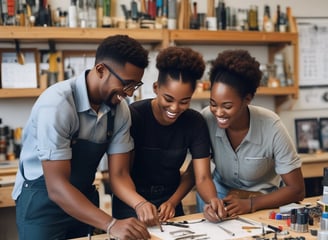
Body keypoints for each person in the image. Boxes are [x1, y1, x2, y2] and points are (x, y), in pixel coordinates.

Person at [12, 35, 151, 240]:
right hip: (42, 202)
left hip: (83, 201)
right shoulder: (58, 104)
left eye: (135, 86)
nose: (129, 93)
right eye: (126, 84)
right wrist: (111, 224)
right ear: (101, 70)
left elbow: (120, 175)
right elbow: (57, 187)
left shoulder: (120, 111)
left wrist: (140, 203)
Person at [109, 46, 227, 227]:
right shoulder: (133, 116)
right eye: (168, 99)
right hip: (130, 203)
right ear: (156, 88)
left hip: (169, 205)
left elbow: (202, 177)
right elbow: (119, 174)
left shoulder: (195, 123)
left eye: (184, 101)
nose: (174, 109)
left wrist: (212, 200)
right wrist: (140, 204)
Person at [198, 49, 305, 220]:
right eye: (213, 104)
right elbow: (201, 175)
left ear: (247, 99)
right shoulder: (206, 119)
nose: (218, 112)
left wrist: (251, 204)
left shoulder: (272, 126)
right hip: (219, 197)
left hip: (262, 202)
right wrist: (211, 201)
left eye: (227, 106)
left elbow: (297, 190)